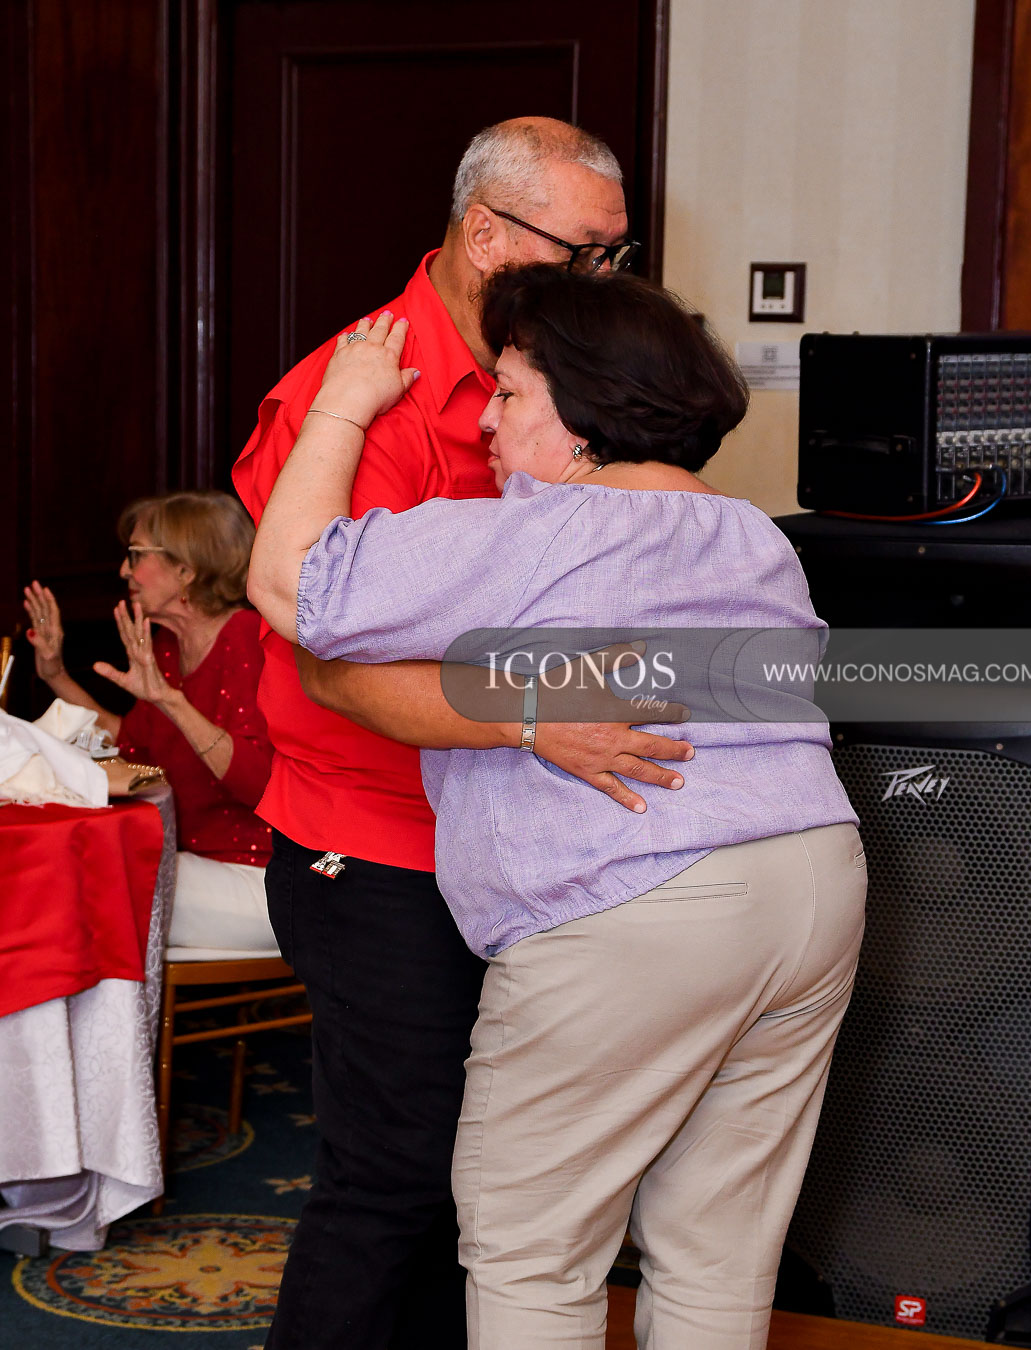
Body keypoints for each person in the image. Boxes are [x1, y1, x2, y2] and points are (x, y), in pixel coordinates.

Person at [248, 266, 868, 1350]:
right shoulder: (753, 535)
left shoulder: (544, 532)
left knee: (531, 1249)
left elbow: (290, 586)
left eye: (510, 393)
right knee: (718, 1253)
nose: (485, 420)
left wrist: (343, 403)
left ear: (581, 417)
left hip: (642, 905)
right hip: (812, 884)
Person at [233, 117, 695, 1350]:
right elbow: (332, 665)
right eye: (581, 253)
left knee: (482, 1187)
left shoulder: (566, 368)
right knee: (393, 1182)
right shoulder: (347, 396)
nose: (603, 279)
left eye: (615, 256)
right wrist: (539, 720)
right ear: (486, 234)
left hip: (520, 843)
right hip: (377, 842)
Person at [23, 490, 276, 953]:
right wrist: (54, 674)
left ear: (186, 570)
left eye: (137, 555)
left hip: (258, 876)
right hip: (191, 864)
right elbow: (131, 747)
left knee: (83, 883)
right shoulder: (166, 646)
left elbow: (263, 786)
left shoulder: (247, 639)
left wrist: (172, 702)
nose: (125, 570)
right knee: (71, 874)